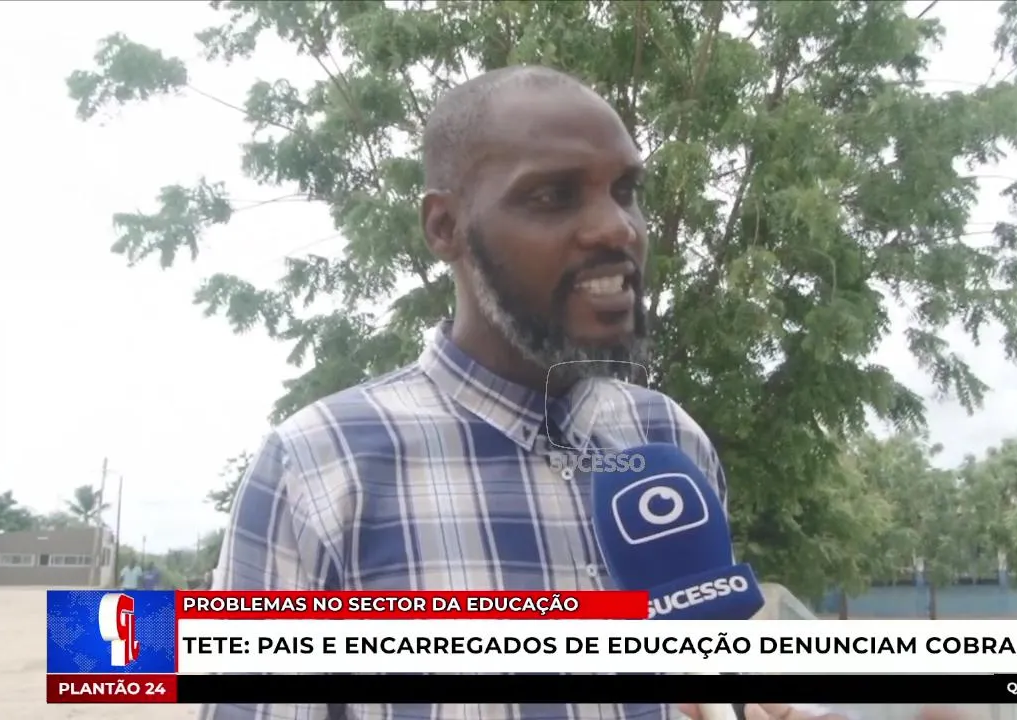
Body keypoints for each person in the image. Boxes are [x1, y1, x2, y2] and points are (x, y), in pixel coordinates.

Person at [202, 65, 965, 720]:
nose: (617, 228)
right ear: (445, 227)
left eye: (625, 190)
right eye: (554, 196)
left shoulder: (670, 443)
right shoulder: (320, 471)